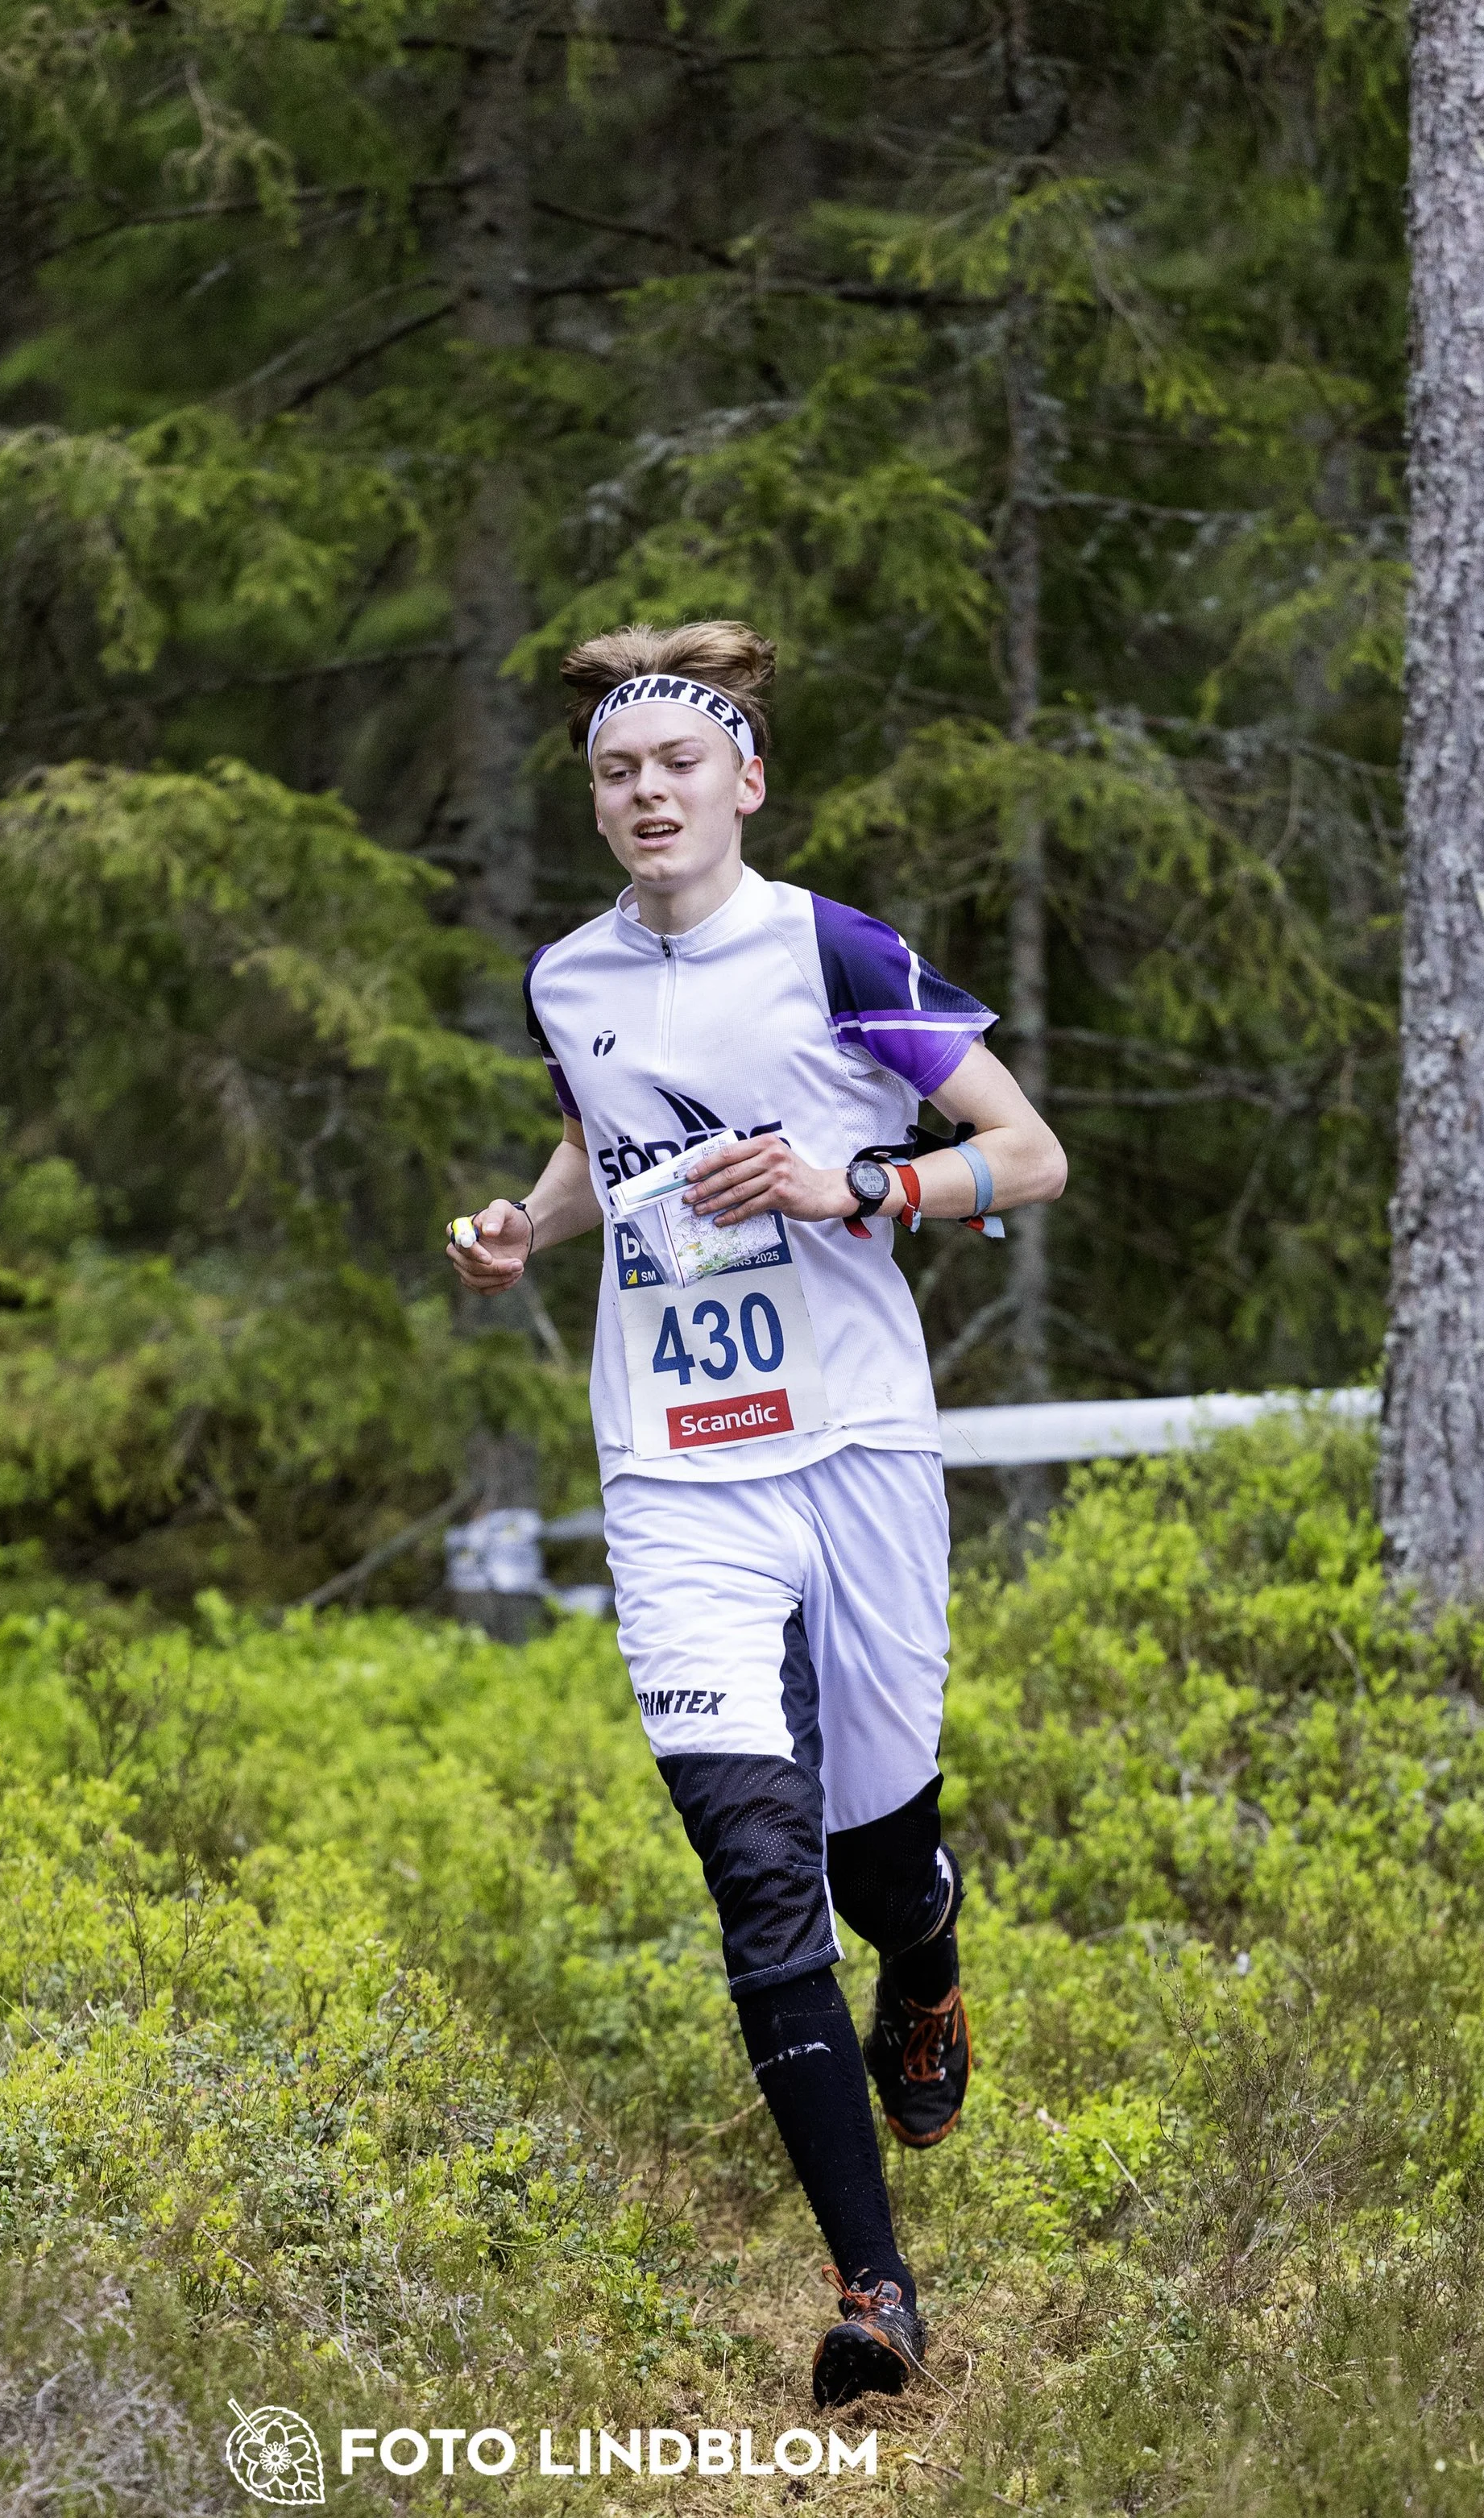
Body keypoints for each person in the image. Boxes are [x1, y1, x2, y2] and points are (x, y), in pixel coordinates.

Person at [446, 620, 1067, 2406]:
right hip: (673, 1462)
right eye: (614, 774)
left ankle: (925, 1958)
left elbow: (1022, 1153)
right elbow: (603, 1146)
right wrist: (521, 1229)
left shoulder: (831, 945)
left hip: (855, 1443)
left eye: (675, 766)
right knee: (750, 1860)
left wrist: (849, 1174)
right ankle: (875, 2289)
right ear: (596, 801)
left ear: (744, 780)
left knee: (877, 1862)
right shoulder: (567, 979)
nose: (644, 794)